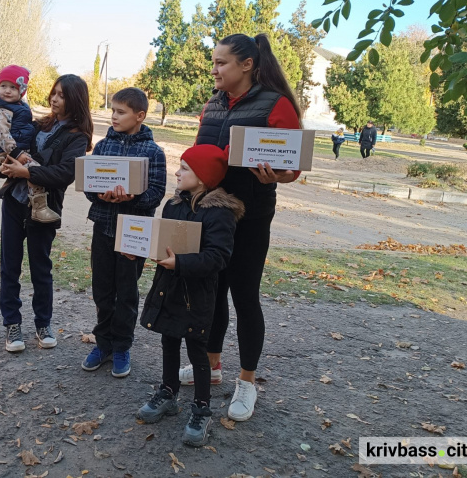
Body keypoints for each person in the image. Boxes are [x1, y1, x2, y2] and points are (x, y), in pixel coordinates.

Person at [179, 33, 302, 422]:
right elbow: (204, 154)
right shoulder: (212, 104)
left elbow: (292, 166)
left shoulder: (276, 104)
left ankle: (247, 381)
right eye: (213, 62)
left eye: (221, 63)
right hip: (212, 213)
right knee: (211, 292)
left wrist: (275, 176)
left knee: (244, 297)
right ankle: (212, 366)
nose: (214, 70)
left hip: (251, 217)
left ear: (246, 65)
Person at [137, 145, 243, 447]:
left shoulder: (219, 214)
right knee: (168, 339)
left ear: (203, 176)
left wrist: (181, 263)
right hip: (169, 287)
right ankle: (168, 392)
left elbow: (218, 257)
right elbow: (162, 240)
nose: (177, 172)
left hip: (197, 295)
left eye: (184, 168)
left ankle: (201, 408)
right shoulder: (174, 205)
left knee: (197, 349)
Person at [0, 74, 93, 352]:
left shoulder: (78, 137)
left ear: (75, 100)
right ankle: (12, 325)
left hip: (45, 210)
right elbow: (10, 151)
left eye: (62, 95)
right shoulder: (37, 123)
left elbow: (65, 173)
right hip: (14, 203)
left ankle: (43, 323)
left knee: (41, 268)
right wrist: (3, 166)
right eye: (54, 93)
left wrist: (26, 171)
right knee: (9, 267)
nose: (54, 98)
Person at [81, 87, 166, 378]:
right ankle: (102, 343)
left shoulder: (154, 152)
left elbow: (156, 193)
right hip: (103, 227)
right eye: (113, 111)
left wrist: (133, 198)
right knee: (102, 290)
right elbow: (90, 185)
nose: (113, 116)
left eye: (121, 112)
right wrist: (101, 196)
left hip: (134, 232)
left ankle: (121, 347)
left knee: (126, 292)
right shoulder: (103, 146)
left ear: (139, 116)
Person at [0, 65, 59, 223]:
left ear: (21, 91)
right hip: (10, 152)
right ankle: (39, 208)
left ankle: (35, 205)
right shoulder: (0, 110)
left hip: (18, 150)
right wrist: (16, 153)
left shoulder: (19, 107)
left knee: (31, 171)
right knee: (35, 170)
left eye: (13, 87)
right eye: (3, 86)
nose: (7, 91)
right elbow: (1, 134)